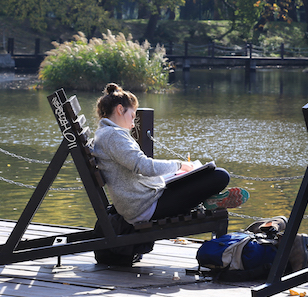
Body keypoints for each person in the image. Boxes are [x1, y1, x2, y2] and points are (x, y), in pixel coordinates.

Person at [92, 83, 248, 226]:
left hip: (145, 199)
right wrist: (179, 165)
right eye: (132, 116)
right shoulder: (113, 136)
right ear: (120, 110)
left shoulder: (106, 134)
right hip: (145, 206)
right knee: (220, 176)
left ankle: (207, 200)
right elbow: (144, 166)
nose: (133, 124)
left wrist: (173, 173)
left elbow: (140, 168)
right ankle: (207, 200)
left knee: (205, 175)